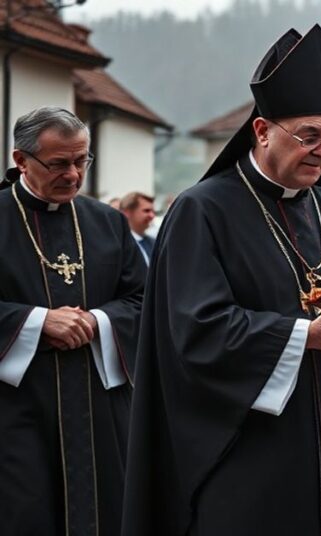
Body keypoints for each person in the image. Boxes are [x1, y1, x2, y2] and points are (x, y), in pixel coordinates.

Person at [122, 26, 321, 536]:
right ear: (261, 132)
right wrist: (308, 337)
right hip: (254, 454)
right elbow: (195, 332)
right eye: (309, 136)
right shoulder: (202, 211)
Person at [0, 107, 146, 535]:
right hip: (17, 410)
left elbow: (144, 299)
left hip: (100, 409)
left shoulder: (108, 223)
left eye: (82, 160)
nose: (73, 174)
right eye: (59, 163)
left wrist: (98, 322)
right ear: (21, 160)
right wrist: (34, 322)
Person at [120, 191, 157, 265]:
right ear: (127, 213)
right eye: (146, 211)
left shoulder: (154, 243)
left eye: (153, 211)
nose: (152, 215)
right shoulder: (118, 244)